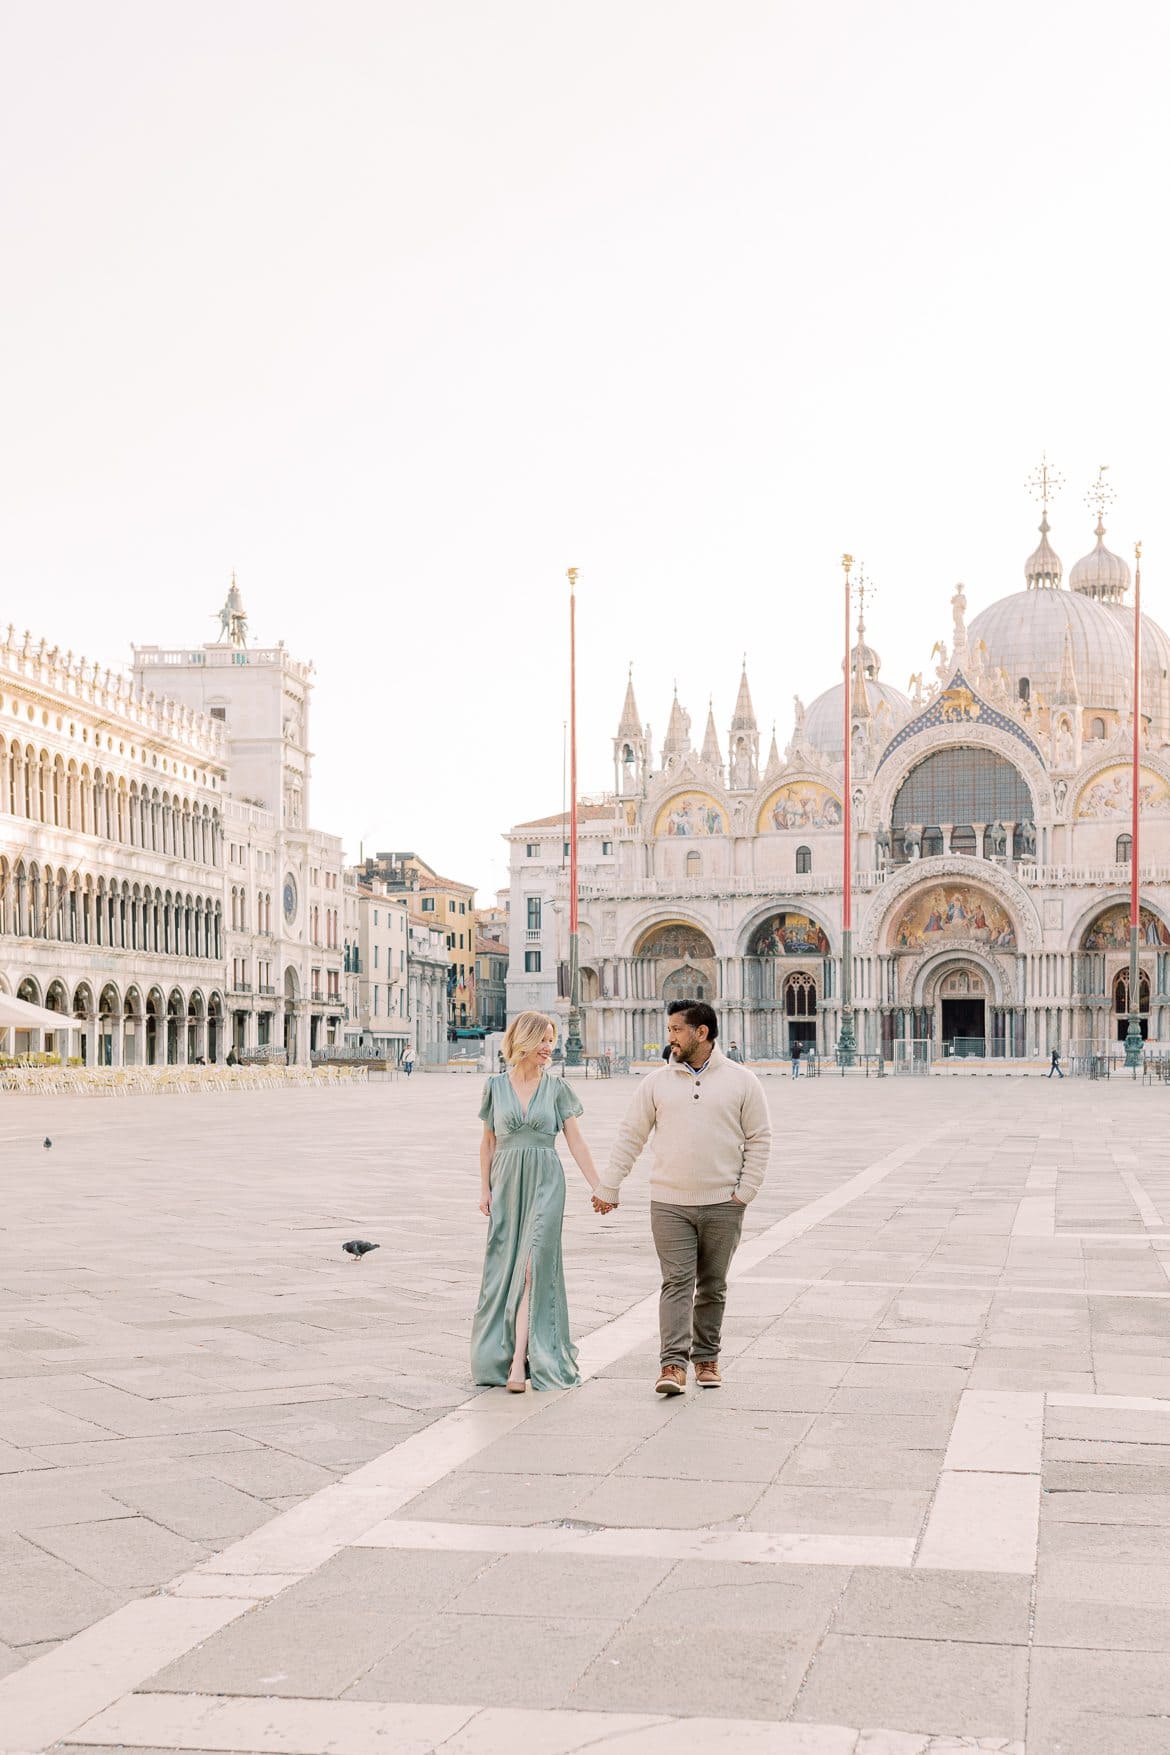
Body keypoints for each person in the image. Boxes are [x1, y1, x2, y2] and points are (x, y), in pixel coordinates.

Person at [592, 1002, 771, 1396]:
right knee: (676, 1282)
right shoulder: (655, 1083)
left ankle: (706, 1357)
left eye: (676, 1029)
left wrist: (746, 1191)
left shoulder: (743, 1081)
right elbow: (630, 1136)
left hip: (724, 1202)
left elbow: (760, 1138)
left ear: (701, 1033)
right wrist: (610, 1185)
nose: (669, 1037)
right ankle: (672, 1365)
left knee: (712, 1284)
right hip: (669, 1201)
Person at [472, 1010, 602, 1393]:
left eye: (552, 1040)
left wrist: (599, 1185)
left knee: (533, 1267)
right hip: (507, 1183)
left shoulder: (558, 1088)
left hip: (547, 1181)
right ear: (525, 1041)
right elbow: (488, 1141)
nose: (549, 1048)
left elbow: (576, 1141)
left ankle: (519, 1362)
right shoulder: (495, 1086)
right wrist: (484, 1189)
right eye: (543, 1040)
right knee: (504, 1268)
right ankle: (503, 1351)